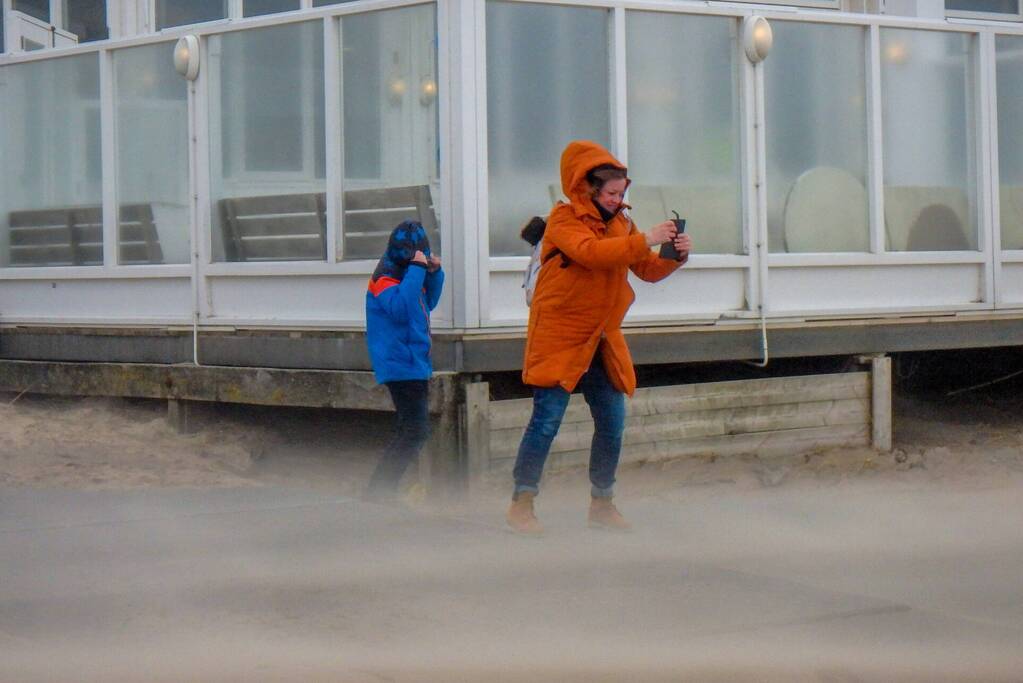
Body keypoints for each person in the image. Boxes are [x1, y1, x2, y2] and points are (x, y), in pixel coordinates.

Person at [506, 140, 692, 535]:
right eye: (611, 193)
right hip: (559, 336)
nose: (618, 199)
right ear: (587, 188)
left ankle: (602, 504)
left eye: (622, 193)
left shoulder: (622, 224)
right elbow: (593, 253)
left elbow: (646, 269)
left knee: (612, 422)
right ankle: (522, 505)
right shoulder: (564, 220)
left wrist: (674, 256)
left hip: (601, 339)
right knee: (545, 422)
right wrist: (646, 239)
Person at [364, 220, 444, 501]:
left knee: (408, 429)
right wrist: (417, 270)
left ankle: (379, 491)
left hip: (414, 361)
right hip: (399, 363)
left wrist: (433, 273)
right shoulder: (385, 277)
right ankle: (379, 492)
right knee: (415, 431)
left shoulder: (409, 274)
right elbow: (399, 309)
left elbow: (427, 302)